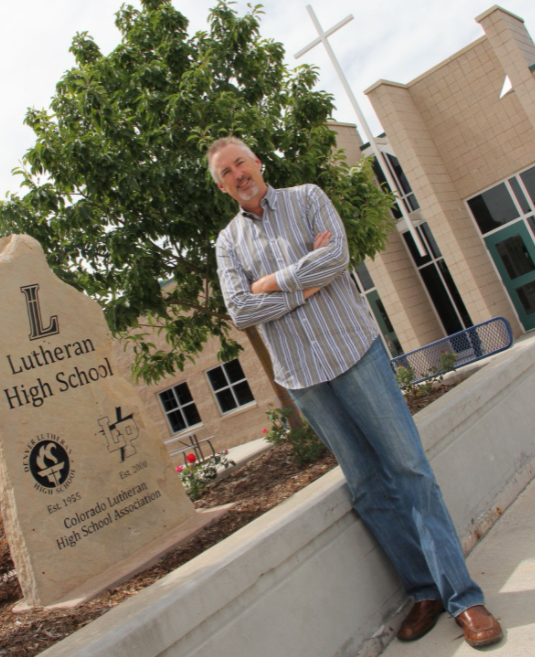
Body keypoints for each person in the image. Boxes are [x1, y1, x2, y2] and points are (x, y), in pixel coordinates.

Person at [208, 136, 502, 649]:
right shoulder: (228, 243)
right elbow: (239, 311)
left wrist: (269, 285)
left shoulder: (308, 197)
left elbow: (336, 260)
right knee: (366, 486)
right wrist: (300, 280)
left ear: (257, 162)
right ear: (221, 186)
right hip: (304, 378)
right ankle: (424, 590)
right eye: (225, 172)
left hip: (354, 354)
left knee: (408, 470)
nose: (237, 174)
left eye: (240, 162)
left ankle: (464, 599)